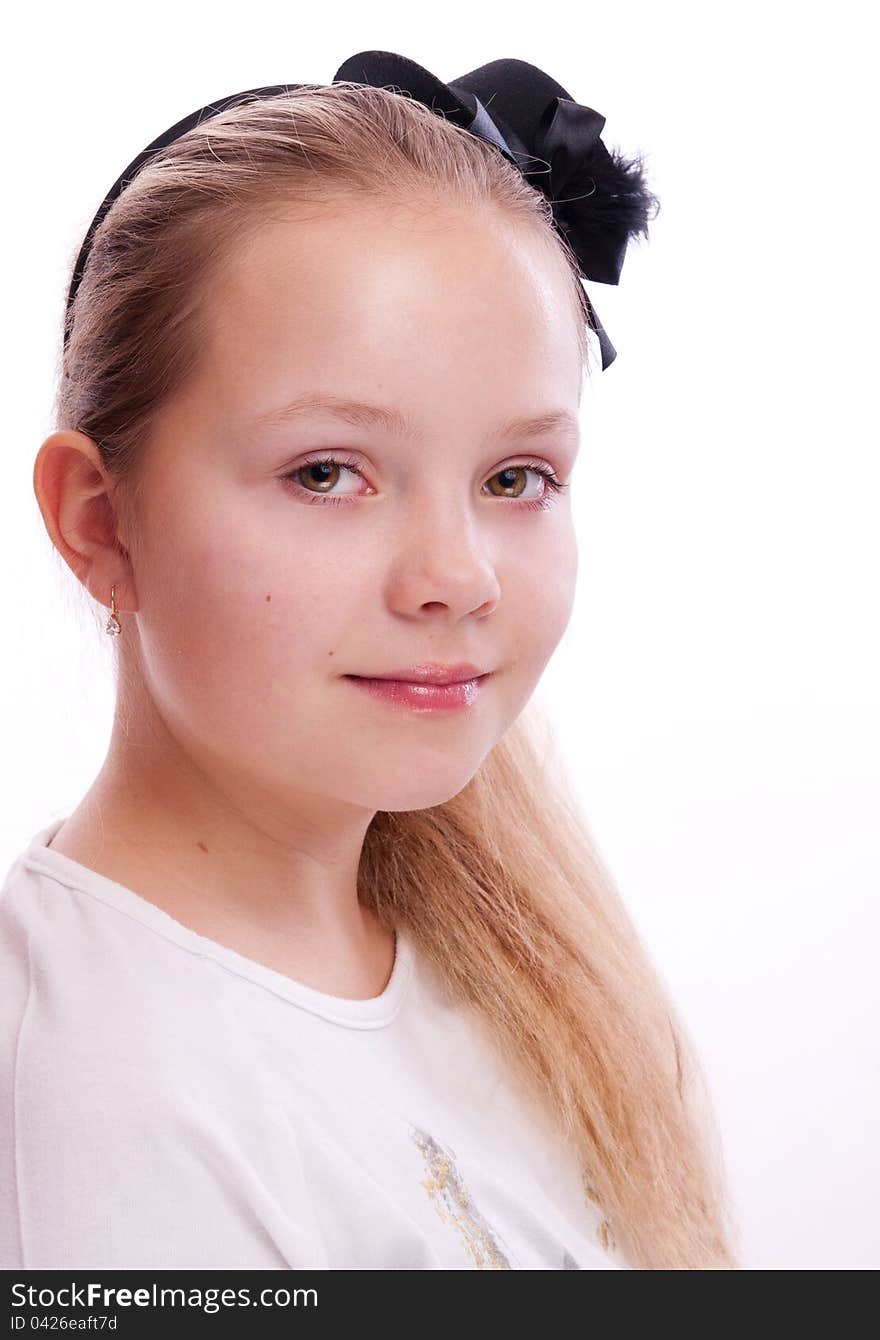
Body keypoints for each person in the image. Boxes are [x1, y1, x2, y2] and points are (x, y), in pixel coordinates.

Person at [0, 52, 741, 1270]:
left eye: (516, 478)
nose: (457, 575)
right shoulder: (99, 1110)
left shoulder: (517, 975)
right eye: (328, 472)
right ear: (99, 518)